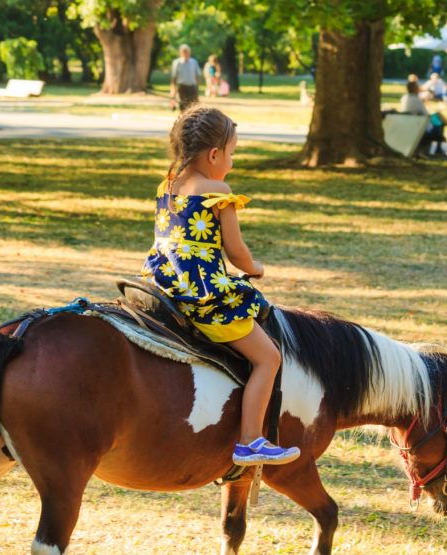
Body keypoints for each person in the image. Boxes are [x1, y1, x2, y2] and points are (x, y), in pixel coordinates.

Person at [140, 105, 301, 467]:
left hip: (163, 283)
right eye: (232, 154)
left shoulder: (166, 185)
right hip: (201, 293)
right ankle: (250, 441)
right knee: (268, 357)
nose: (231, 163)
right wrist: (256, 268)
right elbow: (237, 252)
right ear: (214, 154)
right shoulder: (217, 191)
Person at [400, 81, 447, 157]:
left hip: (411, 124)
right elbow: (426, 114)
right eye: (417, 87)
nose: (419, 88)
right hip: (420, 126)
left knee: (438, 117)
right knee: (439, 119)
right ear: (414, 89)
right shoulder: (416, 99)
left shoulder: (404, 98)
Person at [170, 44, 203, 111]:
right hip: (182, 86)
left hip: (192, 86)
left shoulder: (194, 62)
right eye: (184, 51)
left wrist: (197, 86)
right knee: (183, 103)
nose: (185, 53)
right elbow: (174, 76)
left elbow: (197, 75)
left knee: (194, 103)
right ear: (181, 53)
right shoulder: (177, 62)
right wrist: (173, 87)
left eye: (187, 51)